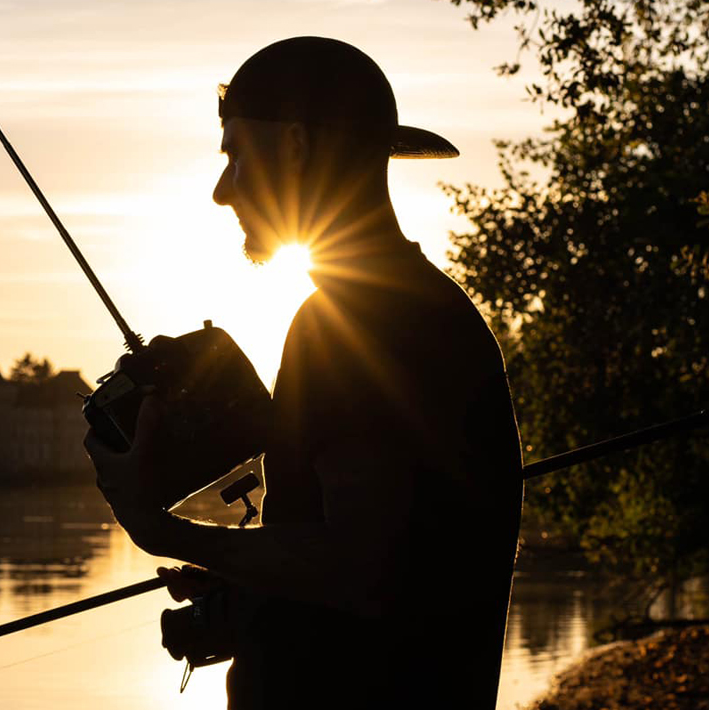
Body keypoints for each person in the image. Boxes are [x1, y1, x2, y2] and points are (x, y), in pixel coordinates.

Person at [85, 37, 524, 709]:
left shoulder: (359, 326)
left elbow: (362, 571)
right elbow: (394, 553)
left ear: (293, 147)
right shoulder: (400, 307)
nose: (221, 190)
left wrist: (159, 528)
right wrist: (252, 583)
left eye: (235, 155)